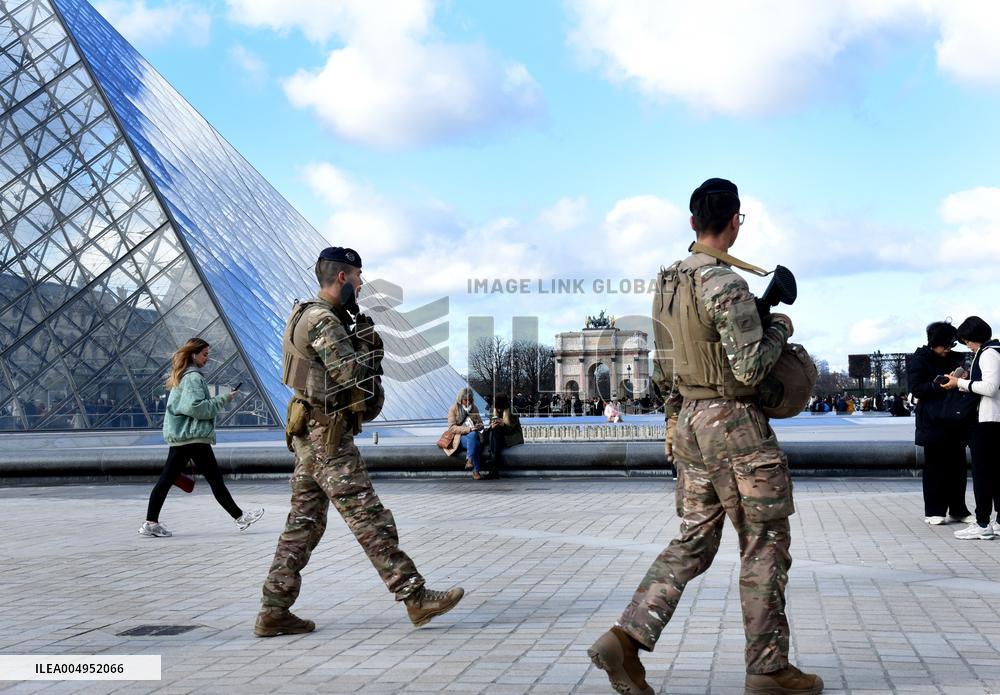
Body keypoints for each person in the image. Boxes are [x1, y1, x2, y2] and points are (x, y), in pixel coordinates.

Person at [587, 178, 821, 695]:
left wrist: (674, 425)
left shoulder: (669, 283)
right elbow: (753, 368)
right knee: (764, 543)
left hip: (690, 420)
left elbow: (667, 364)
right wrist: (778, 323)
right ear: (735, 221)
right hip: (735, 424)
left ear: (692, 222)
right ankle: (768, 669)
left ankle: (624, 639)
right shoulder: (725, 282)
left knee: (693, 540)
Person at [256, 247, 463, 636]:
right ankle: (415, 597)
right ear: (341, 278)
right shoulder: (322, 321)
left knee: (304, 524)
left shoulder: (306, 313)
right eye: (358, 277)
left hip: (309, 433)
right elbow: (351, 375)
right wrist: (370, 346)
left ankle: (274, 609)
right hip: (327, 437)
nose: (361, 283)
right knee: (369, 517)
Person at [138, 339, 263, 538]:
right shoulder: (193, 377)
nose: (207, 358)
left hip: (183, 436)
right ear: (193, 354)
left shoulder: (182, 375)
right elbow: (196, 408)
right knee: (213, 480)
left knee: (169, 480)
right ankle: (240, 517)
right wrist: (224, 399)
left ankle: (151, 522)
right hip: (193, 436)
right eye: (204, 354)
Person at [908, 321, 975, 525]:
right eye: (945, 345)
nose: (948, 349)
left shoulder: (957, 358)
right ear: (933, 342)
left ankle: (958, 509)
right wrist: (938, 385)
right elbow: (917, 389)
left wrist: (962, 379)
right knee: (935, 467)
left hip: (955, 417)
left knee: (958, 467)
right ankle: (934, 511)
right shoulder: (919, 360)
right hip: (932, 419)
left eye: (951, 344)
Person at [941, 316, 1000, 541]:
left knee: (983, 474)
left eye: (967, 341)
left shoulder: (988, 353)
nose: (967, 345)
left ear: (974, 337)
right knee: (995, 473)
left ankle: (983, 523)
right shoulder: (995, 350)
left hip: (988, 420)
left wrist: (960, 383)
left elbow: (990, 388)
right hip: (994, 419)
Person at [446, 387, 485, 480]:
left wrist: (479, 426)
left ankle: (469, 460)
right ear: (460, 399)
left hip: (472, 436)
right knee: (476, 444)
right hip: (459, 438)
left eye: (470, 400)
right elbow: (451, 428)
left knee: (474, 436)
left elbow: (481, 423)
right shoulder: (453, 409)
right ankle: (475, 471)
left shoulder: (474, 408)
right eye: (465, 400)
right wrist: (469, 429)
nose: (467, 402)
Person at [484, 394, 523, 474]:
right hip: (498, 434)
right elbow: (490, 425)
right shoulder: (492, 409)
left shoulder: (512, 411)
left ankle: (493, 461)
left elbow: (511, 429)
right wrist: (493, 426)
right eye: (497, 408)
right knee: (493, 432)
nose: (498, 410)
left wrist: (503, 425)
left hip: (511, 436)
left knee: (494, 436)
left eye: (500, 409)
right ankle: (494, 463)